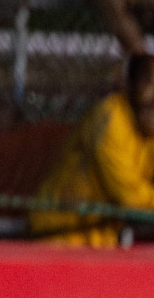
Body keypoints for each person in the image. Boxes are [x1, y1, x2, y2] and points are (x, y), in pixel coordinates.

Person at [30, 54, 154, 248]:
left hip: (102, 242)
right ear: (130, 88)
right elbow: (130, 199)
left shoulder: (147, 131)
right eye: (148, 105)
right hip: (59, 236)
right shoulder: (110, 120)